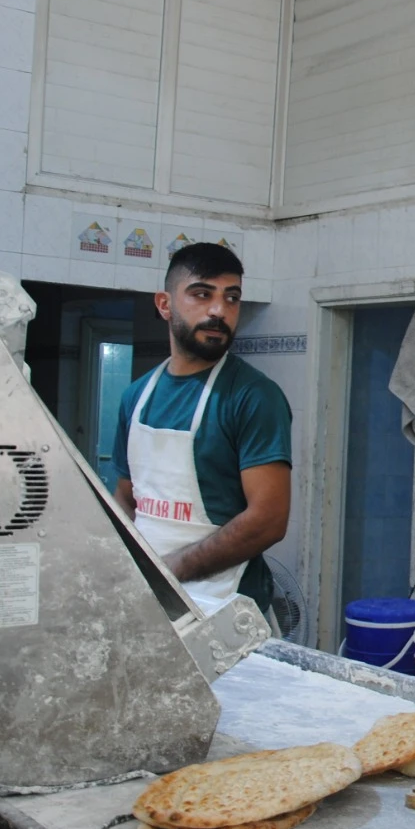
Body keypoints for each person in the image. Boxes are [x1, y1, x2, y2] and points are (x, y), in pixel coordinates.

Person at [114, 242, 292, 615]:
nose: (219, 310)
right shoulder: (136, 396)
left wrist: (169, 571)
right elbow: (127, 498)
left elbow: (268, 521)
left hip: (226, 607)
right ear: (165, 304)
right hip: (149, 600)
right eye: (201, 294)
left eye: (232, 298)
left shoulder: (253, 397)